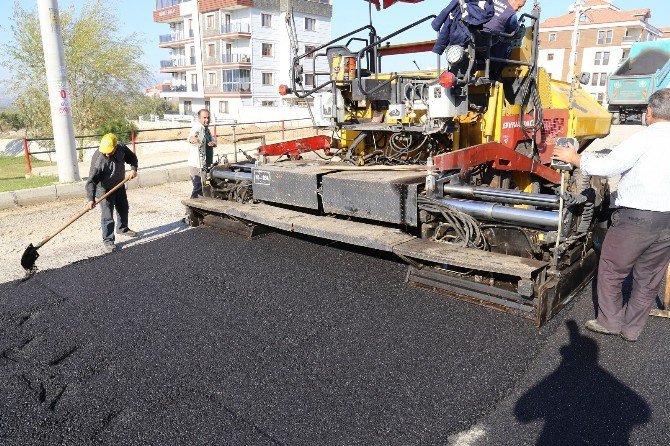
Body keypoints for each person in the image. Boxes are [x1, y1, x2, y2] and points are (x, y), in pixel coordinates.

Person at [553, 89, 670, 342]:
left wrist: (574, 158)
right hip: (667, 222)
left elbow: (607, 166)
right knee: (649, 278)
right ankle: (631, 330)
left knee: (611, 269)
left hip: (636, 220)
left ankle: (610, 321)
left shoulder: (644, 138)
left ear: (649, 112)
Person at [85, 133, 138, 253]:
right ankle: (108, 241)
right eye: (105, 152)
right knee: (107, 215)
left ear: (115, 147)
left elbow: (133, 158)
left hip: (119, 185)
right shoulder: (98, 160)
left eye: (109, 151)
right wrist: (90, 199)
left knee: (123, 208)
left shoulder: (121, 148)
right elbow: (91, 181)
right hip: (103, 189)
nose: (107, 154)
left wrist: (133, 170)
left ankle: (122, 228)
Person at [187, 109, 217, 198]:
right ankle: (191, 208)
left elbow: (213, 140)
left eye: (208, 117)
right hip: (197, 165)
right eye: (204, 118)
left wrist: (213, 143)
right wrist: (193, 139)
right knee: (198, 188)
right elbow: (192, 137)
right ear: (199, 118)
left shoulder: (206, 129)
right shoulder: (198, 127)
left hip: (205, 164)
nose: (207, 120)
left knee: (206, 185)